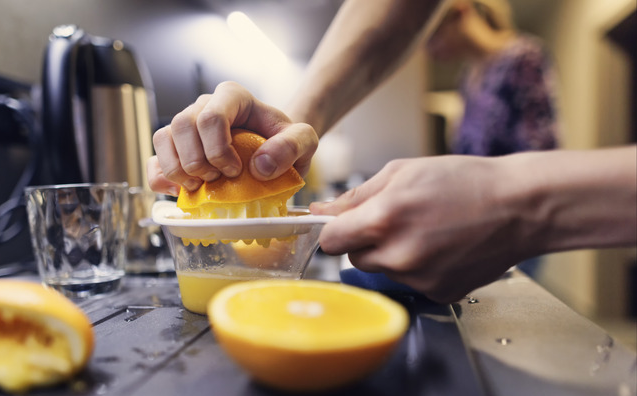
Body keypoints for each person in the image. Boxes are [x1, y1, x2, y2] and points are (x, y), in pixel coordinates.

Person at [148, 0, 637, 303]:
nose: (428, 47)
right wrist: (287, 136)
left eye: (434, 33)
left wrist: (516, 203)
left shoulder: (521, 57)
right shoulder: (472, 76)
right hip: (471, 220)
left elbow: (541, 146)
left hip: (503, 232)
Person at [425, 0, 559, 156]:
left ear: (461, 12)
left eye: (433, 36)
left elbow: (541, 147)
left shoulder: (523, 59)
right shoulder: (467, 75)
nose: (430, 51)